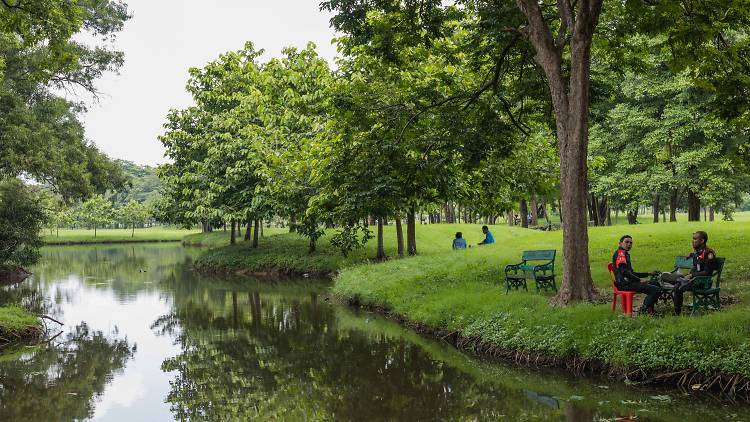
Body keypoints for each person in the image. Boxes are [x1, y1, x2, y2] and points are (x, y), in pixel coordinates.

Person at [661, 231, 717, 315]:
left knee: (677, 286)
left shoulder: (709, 253)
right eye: (692, 238)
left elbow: (707, 272)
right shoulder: (697, 252)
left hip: (703, 282)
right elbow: (696, 264)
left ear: (702, 241)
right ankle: (679, 280)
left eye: (695, 239)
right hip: (691, 279)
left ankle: (677, 312)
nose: (692, 241)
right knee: (666, 276)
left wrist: (691, 275)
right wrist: (691, 256)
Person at [613, 235, 660, 315]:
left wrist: (648, 273)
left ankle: (650, 311)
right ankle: (643, 311)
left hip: (629, 282)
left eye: (631, 243)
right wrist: (639, 280)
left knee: (655, 283)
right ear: (620, 244)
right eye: (626, 242)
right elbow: (625, 272)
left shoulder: (625, 254)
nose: (629, 244)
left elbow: (631, 273)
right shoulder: (621, 254)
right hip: (625, 284)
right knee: (655, 290)